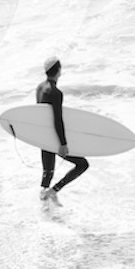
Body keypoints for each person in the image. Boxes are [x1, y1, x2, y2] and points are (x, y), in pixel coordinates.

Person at [36, 55, 88, 204]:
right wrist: (63, 143)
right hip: (53, 137)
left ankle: (44, 211)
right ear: (58, 70)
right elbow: (57, 119)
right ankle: (55, 191)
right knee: (83, 164)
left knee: (47, 175)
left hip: (42, 136)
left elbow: (40, 115)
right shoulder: (55, 92)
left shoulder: (40, 87)